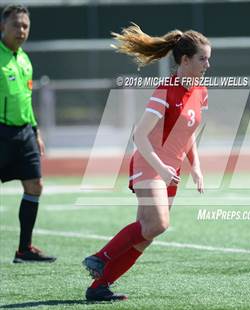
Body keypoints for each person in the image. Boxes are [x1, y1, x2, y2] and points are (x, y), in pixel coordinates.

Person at [82, 24, 211, 301]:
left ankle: (98, 288)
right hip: (149, 163)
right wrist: (161, 168)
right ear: (185, 60)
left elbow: (188, 135)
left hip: (169, 170)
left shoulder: (201, 91)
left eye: (209, 58)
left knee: (146, 235)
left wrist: (196, 167)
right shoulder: (166, 90)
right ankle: (100, 257)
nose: (207, 64)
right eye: (203, 58)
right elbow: (138, 135)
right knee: (159, 224)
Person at [0, 4, 56, 263]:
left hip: (24, 134)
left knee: (35, 185)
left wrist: (36, 131)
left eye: (25, 26)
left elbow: (26, 99)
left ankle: (24, 249)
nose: (21, 30)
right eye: (15, 25)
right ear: (3, 27)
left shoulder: (24, 59)